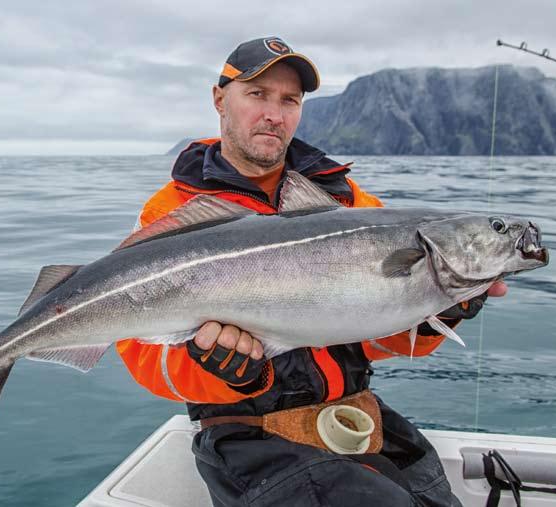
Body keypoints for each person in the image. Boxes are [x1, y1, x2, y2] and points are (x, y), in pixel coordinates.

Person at [117, 36, 507, 506]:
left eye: (289, 100)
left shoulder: (347, 202)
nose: (274, 114)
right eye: (257, 94)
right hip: (248, 440)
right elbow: (141, 348)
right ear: (220, 98)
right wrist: (226, 374)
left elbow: (375, 333)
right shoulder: (174, 212)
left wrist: (436, 311)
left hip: (355, 419)